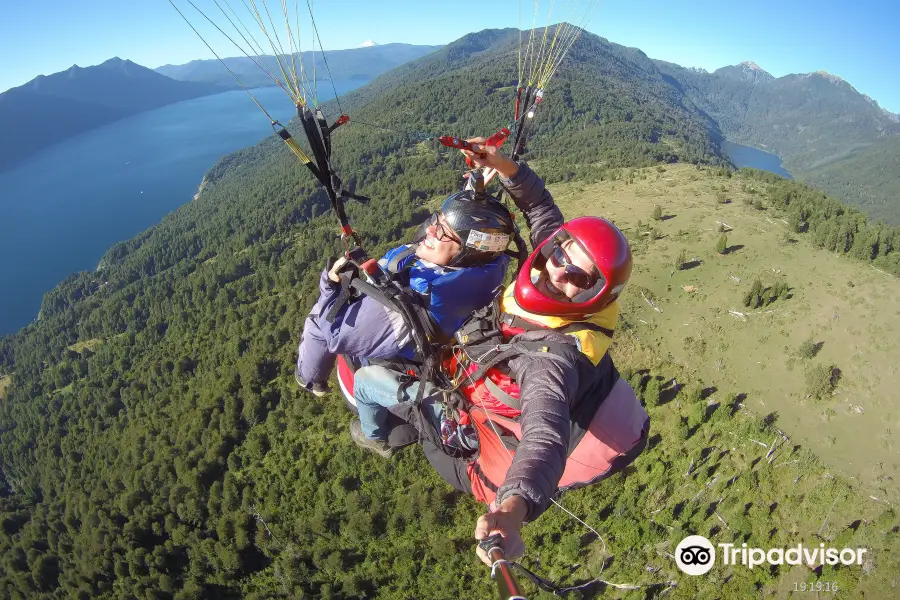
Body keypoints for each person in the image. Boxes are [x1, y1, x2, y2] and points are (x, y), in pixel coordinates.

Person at [348, 140, 650, 567]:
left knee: (365, 380)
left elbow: (545, 437)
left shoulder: (552, 360)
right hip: (472, 371)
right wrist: (504, 166)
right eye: (561, 251)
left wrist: (511, 511)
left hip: (471, 449)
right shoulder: (554, 271)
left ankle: (375, 437)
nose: (558, 269)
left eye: (579, 275)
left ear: (596, 295)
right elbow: (542, 209)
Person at [295, 187, 517, 454]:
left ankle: (355, 421)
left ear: (468, 250)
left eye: (445, 231)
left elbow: (333, 333)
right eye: (437, 221)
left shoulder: (403, 309)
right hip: (434, 347)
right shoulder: (489, 266)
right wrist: (472, 202)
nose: (431, 231)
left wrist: (330, 286)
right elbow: (471, 237)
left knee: (318, 319)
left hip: (396, 369)